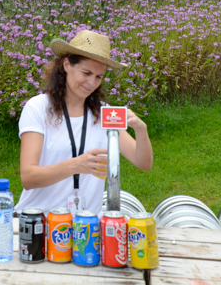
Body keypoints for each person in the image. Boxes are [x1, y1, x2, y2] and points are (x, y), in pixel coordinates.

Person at [15, 30, 153, 216]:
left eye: (99, 76)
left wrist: (141, 129)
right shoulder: (37, 108)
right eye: (86, 73)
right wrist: (77, 165)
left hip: (86, 226)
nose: (92, 82)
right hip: (40, 221)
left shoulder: (104, 112)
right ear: (66, 65)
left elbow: (143, 162)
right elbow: (28, 177)